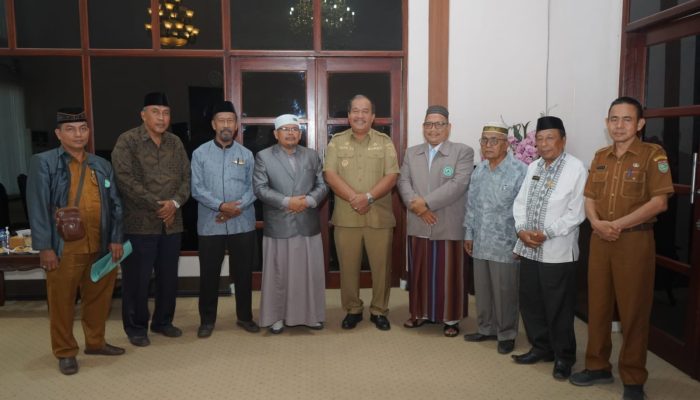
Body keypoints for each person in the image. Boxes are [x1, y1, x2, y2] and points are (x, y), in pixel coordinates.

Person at [569, 97, 673, 400]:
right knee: (598, 306)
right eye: (614, 119)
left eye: (627, 119)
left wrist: (617, 225)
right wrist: (596, 223)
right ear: (607, 123)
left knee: (633, 311)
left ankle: (633, 377)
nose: (619, 125)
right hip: (600, 240)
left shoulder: (653, 155)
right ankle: (597, 366)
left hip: (634, 242)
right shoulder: (600, 156)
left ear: (640, 124)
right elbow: (589, 197)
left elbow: (659, 202)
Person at [27, 108, 125, 375]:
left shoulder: (101, 164)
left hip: (100, 245)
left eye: (83, 128)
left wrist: (116, 239)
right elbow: (37, 207)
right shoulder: (44, 162)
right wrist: (45, 247)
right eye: (70, 129)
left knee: (99, 298)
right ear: (58, 134)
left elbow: (116, 205)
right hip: (64, 248)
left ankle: (95, 342)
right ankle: (65, 351)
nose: (78, 134)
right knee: (62, 302)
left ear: (89, 132)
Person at [510, 116, 587, 381]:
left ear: (563, 140)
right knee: (531, 301)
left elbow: (576, 212)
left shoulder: (576, 169)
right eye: (540, 139)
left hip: (558, 250)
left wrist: (547, 233)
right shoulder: (533, 167)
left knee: (558, 306)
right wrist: (521, 229)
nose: (544, 144)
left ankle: (564, 357)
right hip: (529, 247)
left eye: (550, 138)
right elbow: (520, 202)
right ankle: (541, 347)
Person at [111, 92, 191, 346]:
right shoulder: (128, 141)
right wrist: (158, 205)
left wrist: (174, 203)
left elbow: (186, 178)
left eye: (166, 113)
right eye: (155, 112)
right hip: (139, 224)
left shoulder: (175, 142)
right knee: (138, 280)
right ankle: (136, 327)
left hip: (171, 223)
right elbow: (124, 180)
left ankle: (163, 321)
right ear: (143, 115)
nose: (161, 118)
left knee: (168, 278)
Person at [323, 94, 399, 331]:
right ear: (348, 116)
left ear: (373, 117)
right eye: (355, 111)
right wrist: (354, 199)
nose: (360, 115)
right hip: (347, 216)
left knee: (381, 268)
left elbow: (392, 175)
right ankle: (353, 309)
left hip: (379, 216)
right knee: (347, 268)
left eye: (365, 111)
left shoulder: (385, 142)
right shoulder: (336, 142)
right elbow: (330, 175)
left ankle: (379, 310)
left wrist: (368, 197)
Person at [397, 105, 473, 337]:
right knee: (420, 272)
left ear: (448, 127)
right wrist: (417, 207)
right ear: (423, 127)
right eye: (429, 124)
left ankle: (451, 318)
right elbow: (403, 182)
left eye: (439, 124)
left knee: (448, 274)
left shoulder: (462, 151)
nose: (433, 129)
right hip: (418, 222)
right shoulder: (412, 153)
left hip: (447, 222)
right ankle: (419, 313)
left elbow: (458, 184)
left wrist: (426, 203)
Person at [253, 114, 328, 334]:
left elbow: (323, 184)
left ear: (300, 134)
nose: (290, 133)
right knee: (278, 275)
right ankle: (276, 317)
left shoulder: (311, 155)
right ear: (276, 134)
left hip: (307, 223)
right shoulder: (264, 156)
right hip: (279, 224)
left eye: (294, 129)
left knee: (308, 274)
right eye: (285, 129)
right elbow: (260, 188)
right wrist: (287, 202)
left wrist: (309, 201)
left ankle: (311, 316)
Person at [190, 101, 259, 338]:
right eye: (222, 120)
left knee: (243, 273)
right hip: (211, 224)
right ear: (213, 124)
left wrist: (235, 208)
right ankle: (207, 320)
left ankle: (245, 317)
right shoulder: (200, 154)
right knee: (209, 274)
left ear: (237, 125)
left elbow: (254, 187)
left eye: (230, 120)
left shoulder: (246, 155)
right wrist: (221, 206)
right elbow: (196, 188)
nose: (226, 125)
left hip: (242, 221)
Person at [463, 122, 527, 353]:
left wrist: (520, 242)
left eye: (494, 141)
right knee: (483, 289)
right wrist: (468, 233)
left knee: (505, 291)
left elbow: (525, 210)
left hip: (506, 243)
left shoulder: (520, 171)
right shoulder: (479, 171)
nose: (487, 145)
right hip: (481, 241)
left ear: (506, 144)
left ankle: (507, 333)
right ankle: (486, 328)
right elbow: (471, 206)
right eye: (484, 140)